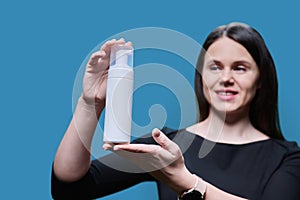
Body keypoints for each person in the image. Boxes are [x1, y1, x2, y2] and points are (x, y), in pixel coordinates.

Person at [51, 22, 300, 200]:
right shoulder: (166, 145)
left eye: (240, 68)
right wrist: (90, 103)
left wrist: (188, 183)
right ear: (201, 78)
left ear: (261, 80)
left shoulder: (287, 159)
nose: (226, 78)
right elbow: (69, 188)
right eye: (215, 67)